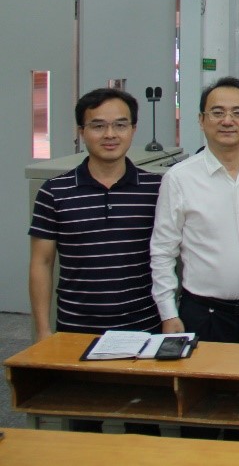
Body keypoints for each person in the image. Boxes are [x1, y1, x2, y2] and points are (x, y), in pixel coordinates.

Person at [29, 88, 163, 436]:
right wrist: (43, 331)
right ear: (81, 131)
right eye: (98, 125)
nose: (110, 134)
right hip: (77, 331)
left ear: (133, 130)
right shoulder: (54, 192)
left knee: (144, 430)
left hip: (142, 328)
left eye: (120, 125)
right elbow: (41, 263)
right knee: (83, 429)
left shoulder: (157, 189)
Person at [151, 77, 239, 346]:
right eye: (217, 113)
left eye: (237, 113)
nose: (227, 121)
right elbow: (162, 251)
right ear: (201, 120)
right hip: (205, 315)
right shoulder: (179, 178)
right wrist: (168, 313)